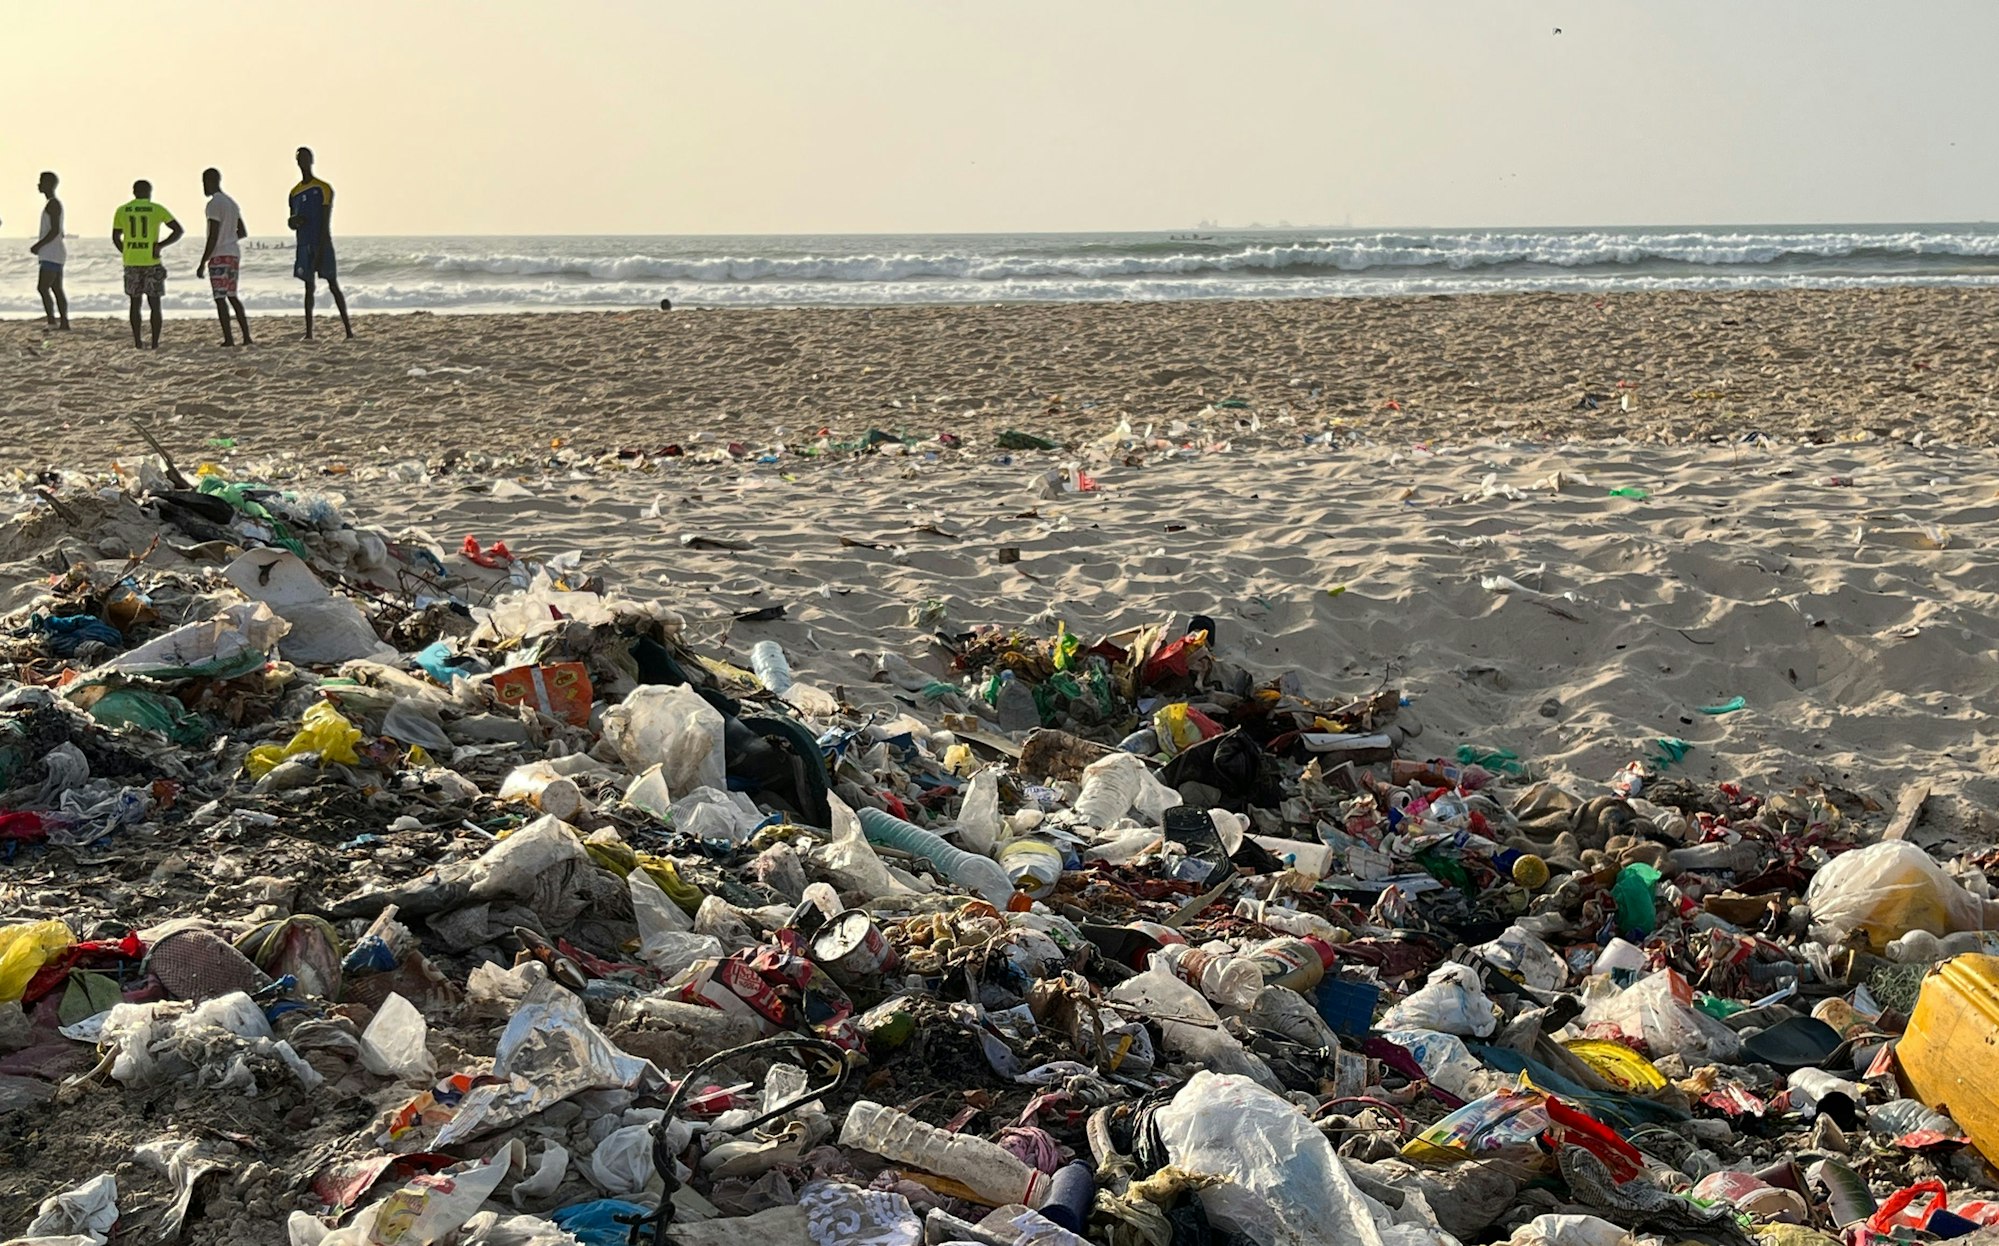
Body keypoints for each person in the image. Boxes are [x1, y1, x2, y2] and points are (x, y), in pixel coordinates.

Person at [287, 147, 351, 339]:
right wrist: (294, 222)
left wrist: (322, 248)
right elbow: (292, 220)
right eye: (300, 159)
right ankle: (309, 333)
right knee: (308, 287)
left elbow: (325, 221)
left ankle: (348, 330)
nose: (303, 162)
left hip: (320, 242)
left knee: (332, 284)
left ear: (311, 160)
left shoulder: (323, 188)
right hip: (303, 243)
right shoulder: (294, 193)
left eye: (306, 159)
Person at [111, 180, 183, 349]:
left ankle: (137, 341)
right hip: (152, 261)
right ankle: (155, 343)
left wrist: (126, 251)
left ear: (134, 192)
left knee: (135, 304)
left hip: (131, 262)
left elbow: (115, 237)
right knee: (154, 304)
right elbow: (178, 230)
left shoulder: (123, 210)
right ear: (150, 192)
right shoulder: (156, 209)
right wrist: (160, 245)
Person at [195, 168, 252, 346]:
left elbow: (213, 235)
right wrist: (230, 238)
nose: (203, 186)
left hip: (219, 255)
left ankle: (228, 338)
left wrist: (203, 261)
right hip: (233, 253)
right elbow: (242, 231)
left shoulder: (213, 204)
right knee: (232, 295)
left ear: (211, 181)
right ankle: (246, 337)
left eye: (204, 182)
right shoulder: (231, 203)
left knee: (220, 298)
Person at [30, 172, 68, 330]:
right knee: (56, 288)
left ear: (49, 184)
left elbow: (54, 230)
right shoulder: (53, 204)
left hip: (51, 254)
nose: (38, 185)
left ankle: (52, 321)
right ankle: (63, 322)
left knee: (43, 287)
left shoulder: (53, 204)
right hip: (54, 253)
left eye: (41, 182)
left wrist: (38, 245)